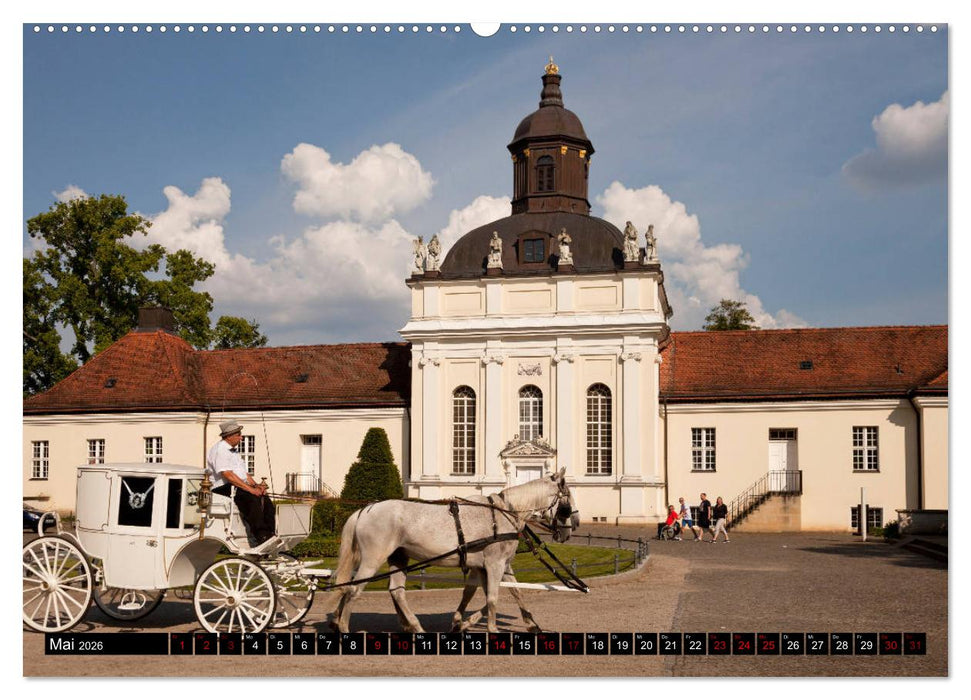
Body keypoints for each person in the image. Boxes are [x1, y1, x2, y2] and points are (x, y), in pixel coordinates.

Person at [206, 420, 276, 545]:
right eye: (238, 434)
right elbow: (227, 474)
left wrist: (256, 486)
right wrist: (250, 489)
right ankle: (262, 535)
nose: (241, 437)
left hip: (234, 484)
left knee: (264, 497)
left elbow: (244, 474)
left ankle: (271, 532)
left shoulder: (234, 451)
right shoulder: (220, 450)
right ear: (228, 436)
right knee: (251, 498)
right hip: (221, 487)